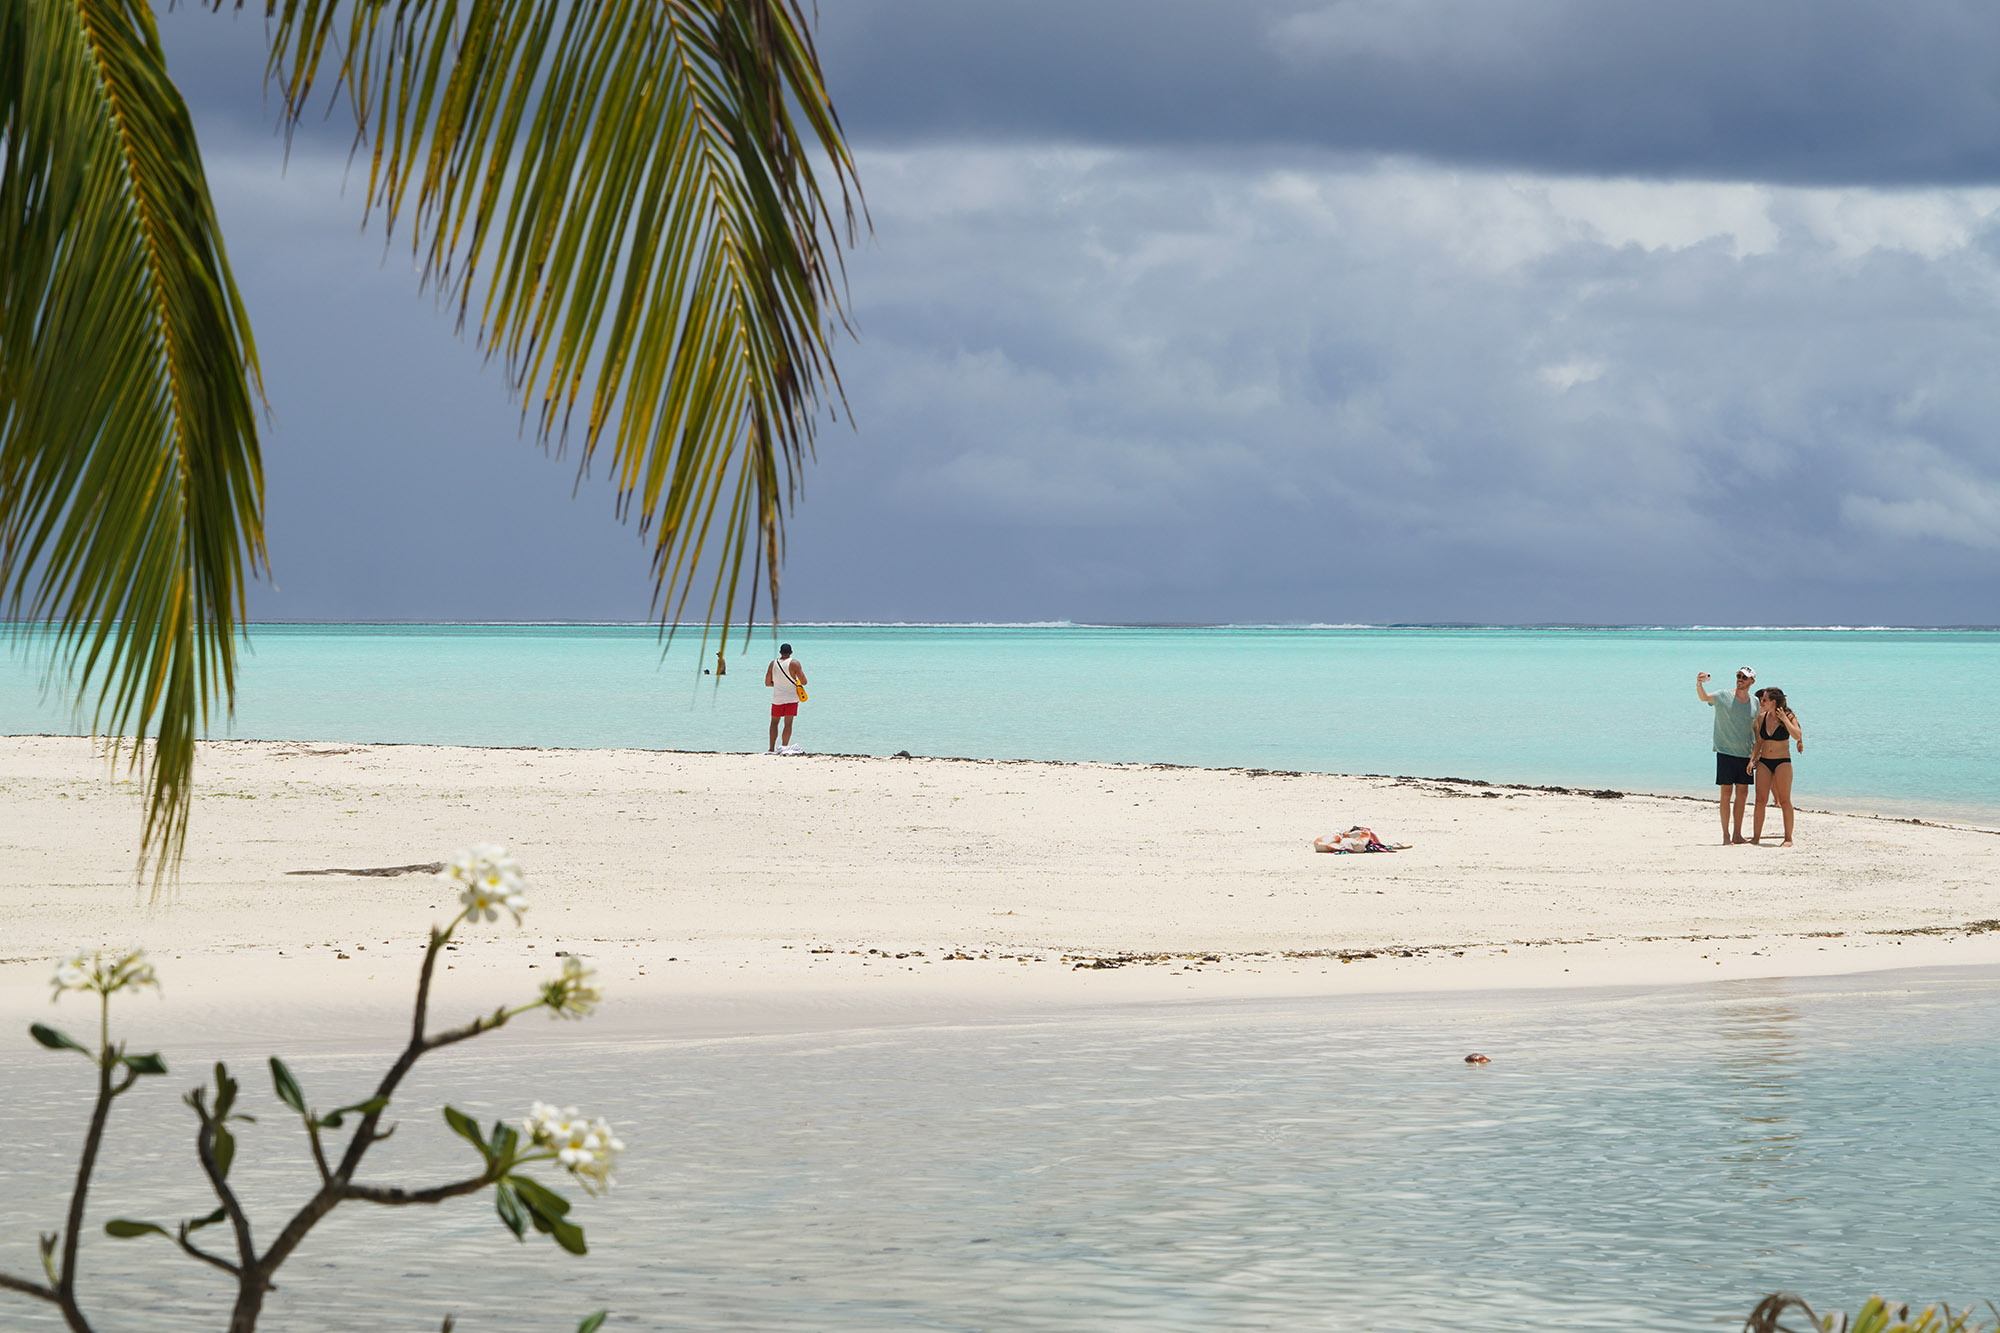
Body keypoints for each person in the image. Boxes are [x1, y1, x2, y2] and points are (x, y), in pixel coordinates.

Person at [1695, 667, 1758, 845]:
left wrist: (1755, 755)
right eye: (1738, 676)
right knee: (1726, 793)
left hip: (1745, 754)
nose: (1740, 679)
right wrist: (1699, 684)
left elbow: (1755, 728)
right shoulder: (1723, 695)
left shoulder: (1754, 701)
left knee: (1743, 793)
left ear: (1752, 681)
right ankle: (1726, 835)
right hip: (1725, 752)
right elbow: (1704, 698)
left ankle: (1738, 834)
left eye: (1744, 677)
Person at [1750, 687, 1804, 846]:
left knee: (1785, 800)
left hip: (1782, 762)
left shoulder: (1789, 716)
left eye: (1765, 699)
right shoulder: (1762, 717)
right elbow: (1759, 741)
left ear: (1773, 701)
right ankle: (1755, 837)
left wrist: (1785, 720)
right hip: (1765, 761)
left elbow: (1797, 735)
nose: (1762, 702)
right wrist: (1752, 759)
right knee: (1760, 800)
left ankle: (1788, 838)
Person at [765, 642, 807, 754]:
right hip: (792, 698)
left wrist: (778, 684)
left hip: (777, 698)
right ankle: (784, 747)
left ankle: (771, 749)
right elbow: (804, 682)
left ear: (780, 652)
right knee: (788, 723)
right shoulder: (795, 663)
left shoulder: (772, 663)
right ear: (791, 652)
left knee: (774, 722)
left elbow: (767, 683)